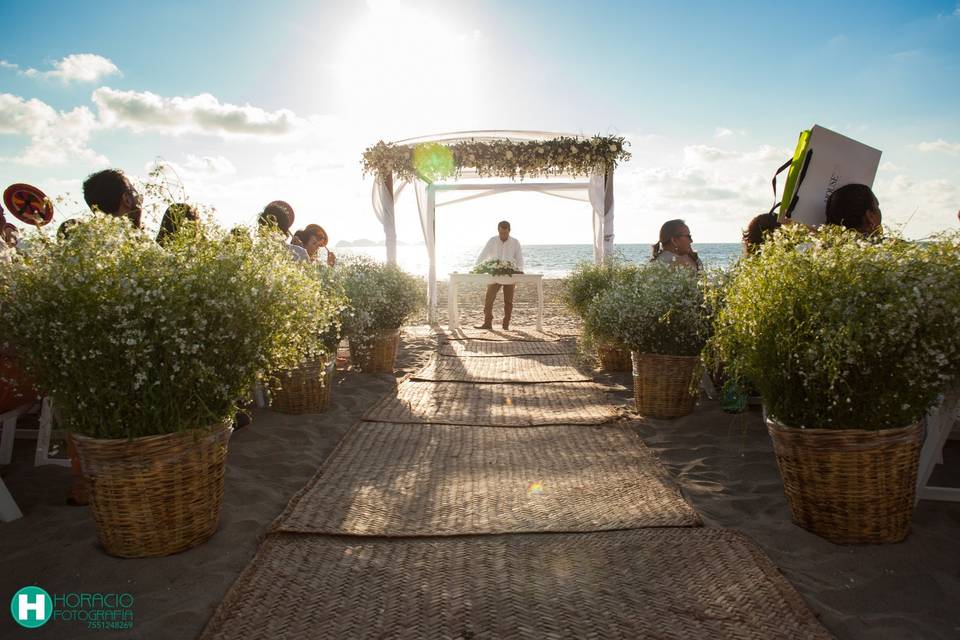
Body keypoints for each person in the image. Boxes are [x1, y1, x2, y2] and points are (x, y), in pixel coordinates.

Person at [475, 220, 523, 330]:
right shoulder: (492, 240)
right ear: (498, 230)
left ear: (509, 231)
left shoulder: (515, 242)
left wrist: (520, 270)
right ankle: (487, 323)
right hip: (494, 274)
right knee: (489, 299)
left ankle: (506, 325)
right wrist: (476, 267)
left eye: (505, 233)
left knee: (508, 301)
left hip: (510, 274)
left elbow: (520, 259)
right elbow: (483, 254)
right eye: (501, 233)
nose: (503, 235)